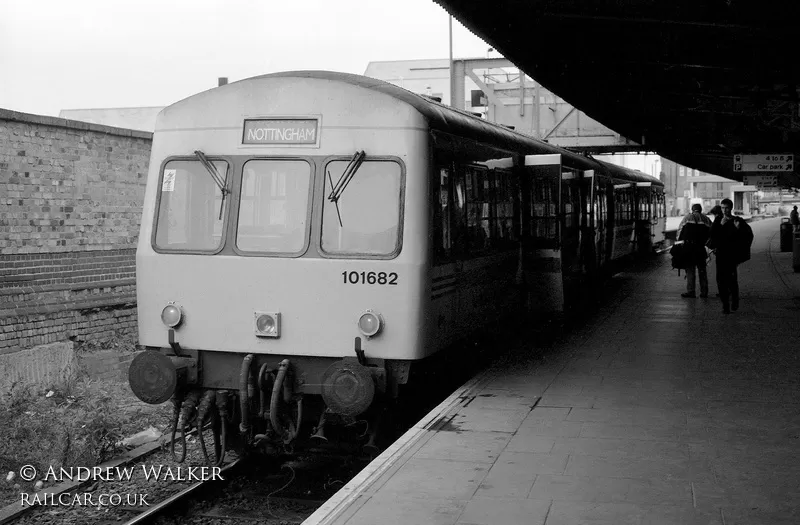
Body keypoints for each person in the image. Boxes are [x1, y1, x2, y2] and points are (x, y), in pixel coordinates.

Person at [708, 198, 747, 314]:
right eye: (722, 208)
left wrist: (737, 229)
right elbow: (712, 235)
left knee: (732, 280)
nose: (724, 210)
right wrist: (720, 225)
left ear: (731, 208)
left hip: (732, 256)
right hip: (720, 255)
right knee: (720, 280)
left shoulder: (737, 221)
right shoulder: (718, 220)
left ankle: (734, 301)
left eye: (726, 208)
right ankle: (725, 304)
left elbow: (745, 237)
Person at [676, 204, 712, 298]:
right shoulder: (706, 219)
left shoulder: (687, 218)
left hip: (689, 248)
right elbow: (712, 233)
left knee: (690, 270)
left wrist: (679, 243)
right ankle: (704, 292)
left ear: (692, 210)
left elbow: (679, 231)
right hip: (700, 248)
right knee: (702, 270)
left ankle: (691, 291)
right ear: (700, 210)